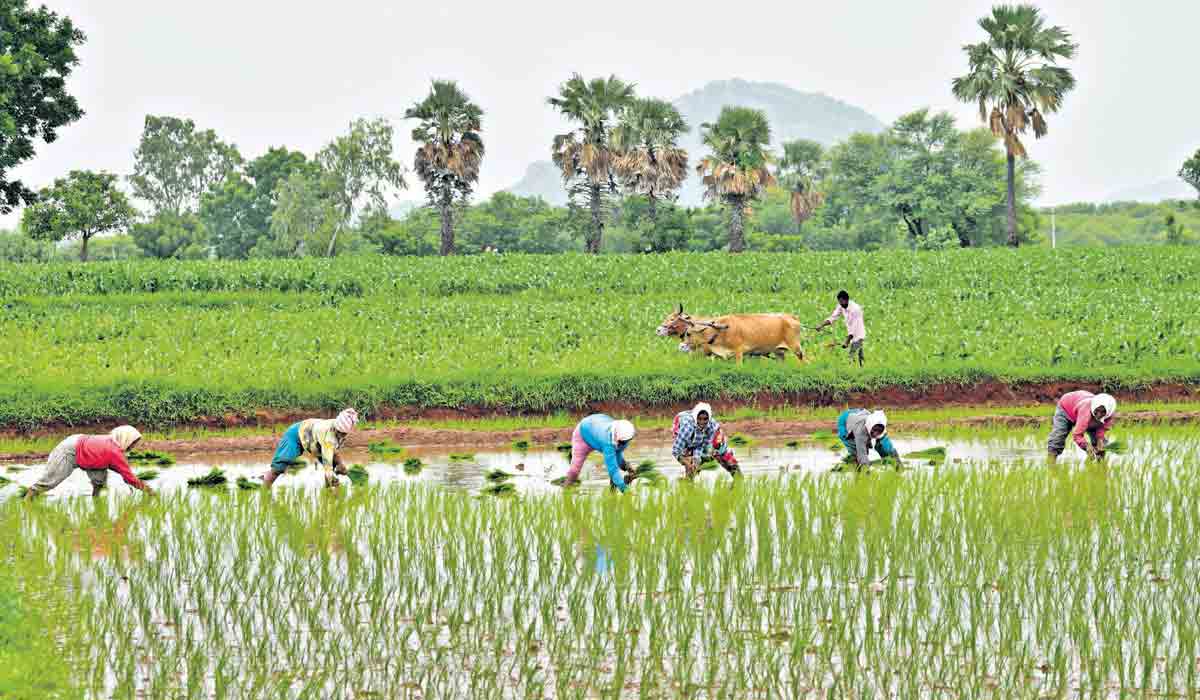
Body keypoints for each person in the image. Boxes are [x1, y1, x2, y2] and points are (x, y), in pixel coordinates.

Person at [24, 425, 154, 499]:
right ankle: (28, 497)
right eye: (133, 443)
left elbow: (121, 470)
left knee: (99, 480)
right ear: (126, 439)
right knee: (52, 480)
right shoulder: (114, 452)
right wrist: (149, 491)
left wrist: (130, 478)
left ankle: (96, 499)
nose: (133, 446)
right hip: (70, 450)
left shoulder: (113, 443)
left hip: (88, 453)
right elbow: (128, 477)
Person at [265, 408, 359, 489]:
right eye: (341, 433)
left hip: (314, 440)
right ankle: (264, 489)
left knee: (335, 465)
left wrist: (340, 464)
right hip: (295, 435)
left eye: (345, 433)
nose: (343, 435)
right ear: (337, 430)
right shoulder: (329, 438)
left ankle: (330, 496)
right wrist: (333, 479)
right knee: (279, 467)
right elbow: (327, 465)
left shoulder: (338, 428)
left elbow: (333, 452)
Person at [562, 414, 637, 492]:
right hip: (583, 435)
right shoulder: (607, 442)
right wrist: (625, 490)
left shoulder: (622, 436)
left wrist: (626, 467)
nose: (624, 444)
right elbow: (613, 470)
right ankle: (566, 490)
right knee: (575, 470)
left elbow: (617, 454)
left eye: (626, 441)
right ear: (617, 438)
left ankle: (612, 493)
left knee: (614, 465)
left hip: (596, 424)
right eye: (622, 442)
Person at [672, 402, 741, 480]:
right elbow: (676, 451)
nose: (702, 422)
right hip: (680, 423)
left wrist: (696, 460)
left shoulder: (712, 428)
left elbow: (700, 445)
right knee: (688, 456)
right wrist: (688, 464)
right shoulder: (687, 428)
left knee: (715, 453)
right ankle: (688, 480)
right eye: (700, 419)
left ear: (709, 418)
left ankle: (737, 476)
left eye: (705, 419)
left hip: (707, 440)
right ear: (696, 417)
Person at [1047, 391, 1115, 463]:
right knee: (1058, 436)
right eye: (1097, 410)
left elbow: (1101, 428)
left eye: (1103, 412)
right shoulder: (1086, 412)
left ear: (1108, 412)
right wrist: (1086, 446)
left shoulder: (1109, 416)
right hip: (1066, 408)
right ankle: (1051, 461)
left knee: (1101, 444)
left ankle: (1100, 463)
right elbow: (1077, 435)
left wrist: (1100, 439)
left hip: (1082, 406)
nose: (1098, 415)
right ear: (1094, 407)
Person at [815, 290, 866, 366]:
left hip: (858, 334)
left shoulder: (855, 309)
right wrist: (821, 325)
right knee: (859, 356)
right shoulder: (841, 306)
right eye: (839, 301)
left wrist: (847, 341)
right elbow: (833, 317)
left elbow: (854, 328)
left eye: (841, 301)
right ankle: (861, 368)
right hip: (851, 334)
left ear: (846, 300)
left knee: (852, 355)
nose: (840, 304)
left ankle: (855, 369)